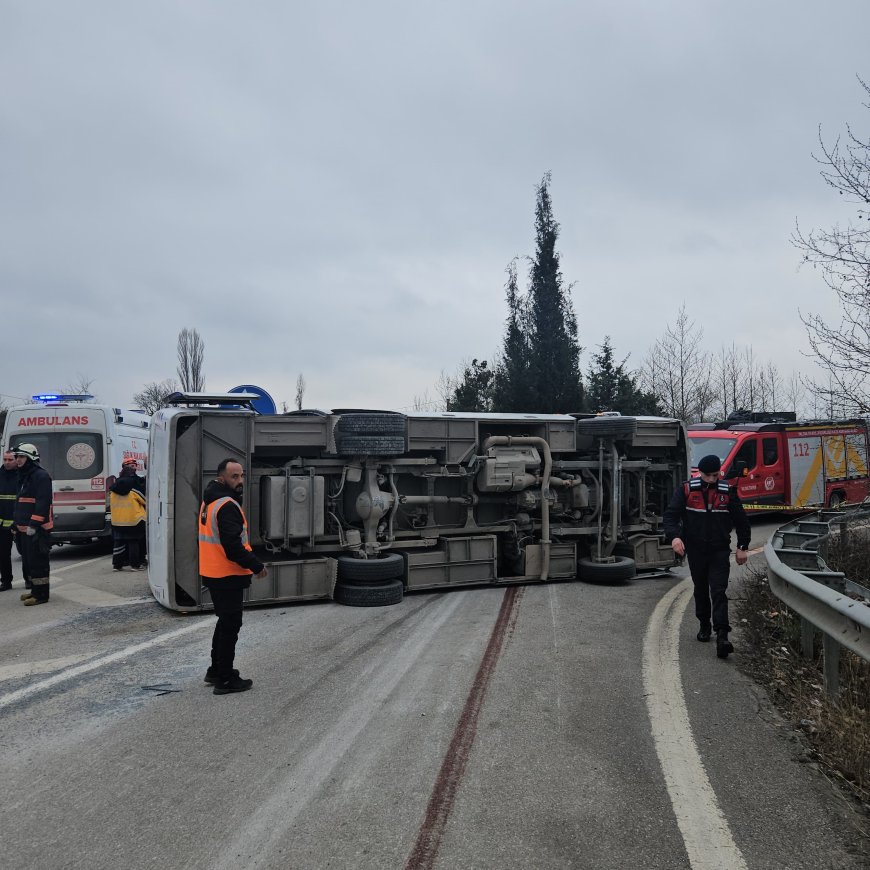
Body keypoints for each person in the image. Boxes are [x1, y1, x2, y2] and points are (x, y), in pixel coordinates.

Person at [663, 453, 751, 659]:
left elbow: (741, 521)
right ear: (700, 473)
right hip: (695, 550)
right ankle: (704, 624)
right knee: (701, 589)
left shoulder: (727, 492)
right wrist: (675, 537)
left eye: (715, 475)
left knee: (719, 590)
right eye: (708, 476)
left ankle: (722, 635)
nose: (712, 479)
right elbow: (670, 516)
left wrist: (742, 546)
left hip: (719, 549)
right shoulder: (686, 490)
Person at [198, 458, 267, 695]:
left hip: (213, 572)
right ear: (222, 478)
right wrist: (256, 565)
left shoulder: (210, 500)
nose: (239, 481)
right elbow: (232, 546)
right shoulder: (226, 505)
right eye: (234, 476)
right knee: (230, 626)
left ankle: (216, 670)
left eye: (241, 476)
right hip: (226, 575)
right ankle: (225, 679)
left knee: (224, 623)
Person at [12, 443, 54, 606]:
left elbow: (43, 503)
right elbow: (21, 502)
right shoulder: (24, 475)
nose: (18, 460)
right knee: (30, 562)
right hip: (25, 528)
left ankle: (42, 595)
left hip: (38, 529)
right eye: (17, 457)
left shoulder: (41, 476)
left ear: (30, 458)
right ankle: (34, 591)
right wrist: (17, 524)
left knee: (39, 563)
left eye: (21, 457)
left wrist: (34, 525)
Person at [109, 458, 147, 570]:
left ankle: (117, 565)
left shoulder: (113, 489)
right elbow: (144, 500)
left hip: (117, 520)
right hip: (133, 520)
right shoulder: (133, 488)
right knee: (133, 542)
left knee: (118, 542)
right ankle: (135, 565)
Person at [0, 450, 19, 591]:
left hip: (21, 521)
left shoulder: (23, 475)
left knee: (27, 553)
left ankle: (29, 579)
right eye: (5, 459)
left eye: (10, 459)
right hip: (3, 523)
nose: (7, 462)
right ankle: (6, 581)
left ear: (16, 460)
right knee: (3, 554)